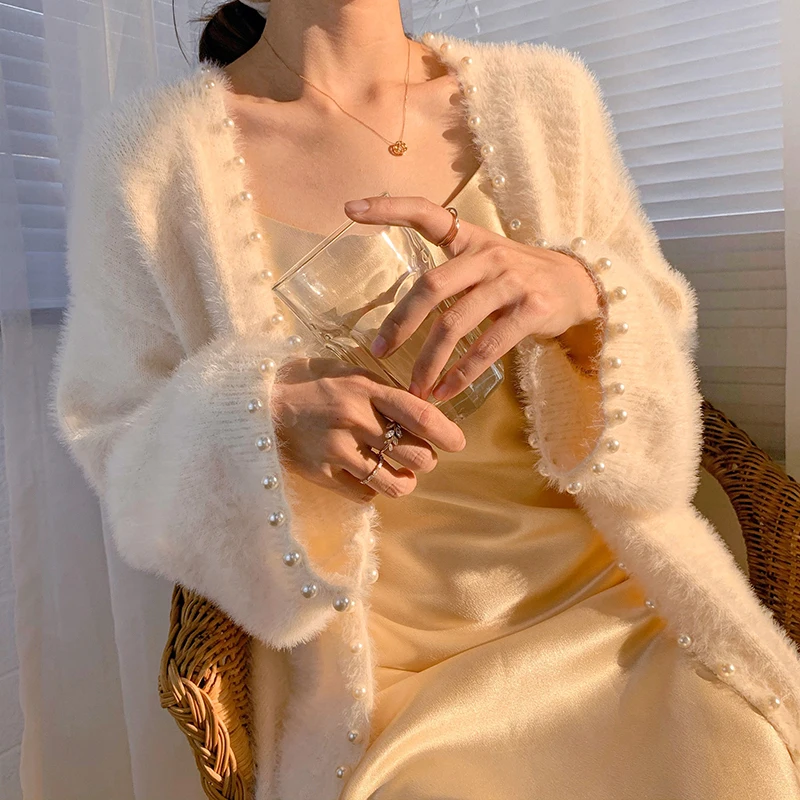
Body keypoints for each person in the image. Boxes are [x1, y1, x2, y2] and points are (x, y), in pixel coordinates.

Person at [51, 0, 800, 798]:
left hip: (619, 612)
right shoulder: (150, 158)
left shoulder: (546, 97)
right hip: (385, 684)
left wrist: (586, 295)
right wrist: (262, 418)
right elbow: (115, 436)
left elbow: (663, 354)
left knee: (737, 761)